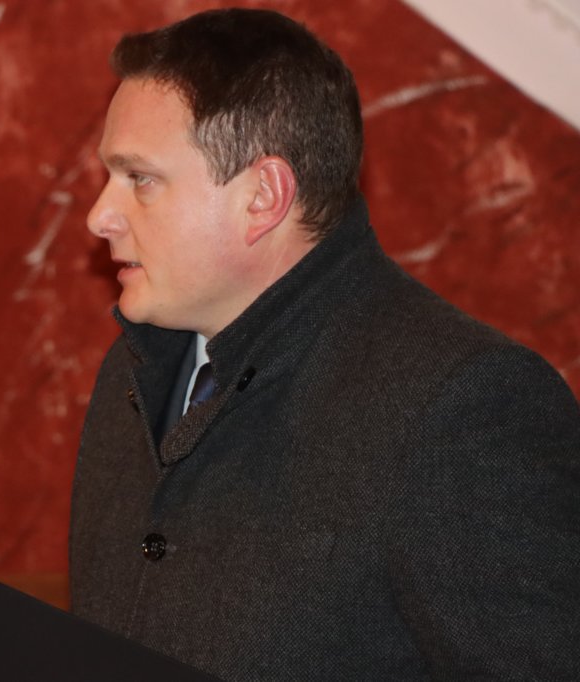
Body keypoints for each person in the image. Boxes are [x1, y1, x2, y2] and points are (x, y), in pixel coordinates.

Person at [69, 8, 580, 681]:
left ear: (263, 196)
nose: (99, 216)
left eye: (140, 178)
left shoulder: (462, 405)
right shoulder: (135, 369)